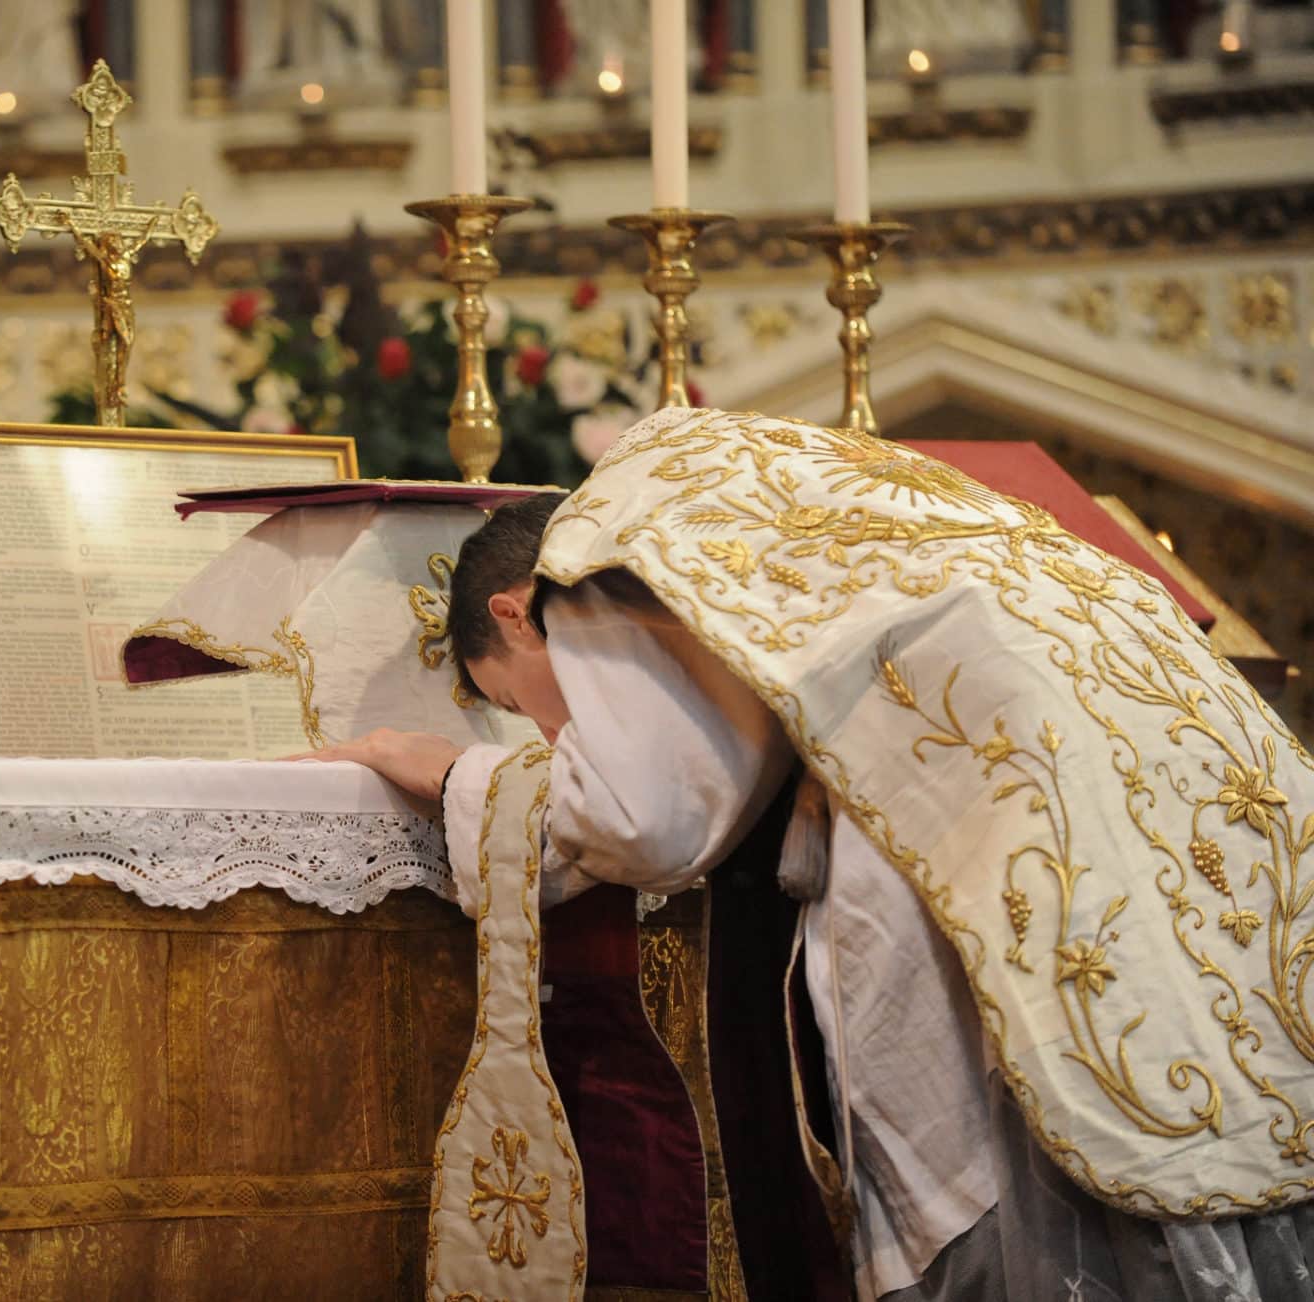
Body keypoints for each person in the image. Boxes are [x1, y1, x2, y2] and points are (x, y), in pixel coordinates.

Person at [302, 408, 1314, 1301]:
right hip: (1141, 783)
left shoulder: (589, 556)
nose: (559, 743)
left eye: (529, 708)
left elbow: (646, 818)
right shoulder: (731, 490)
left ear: (515, 613)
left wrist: (449, 776)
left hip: (978, 836)